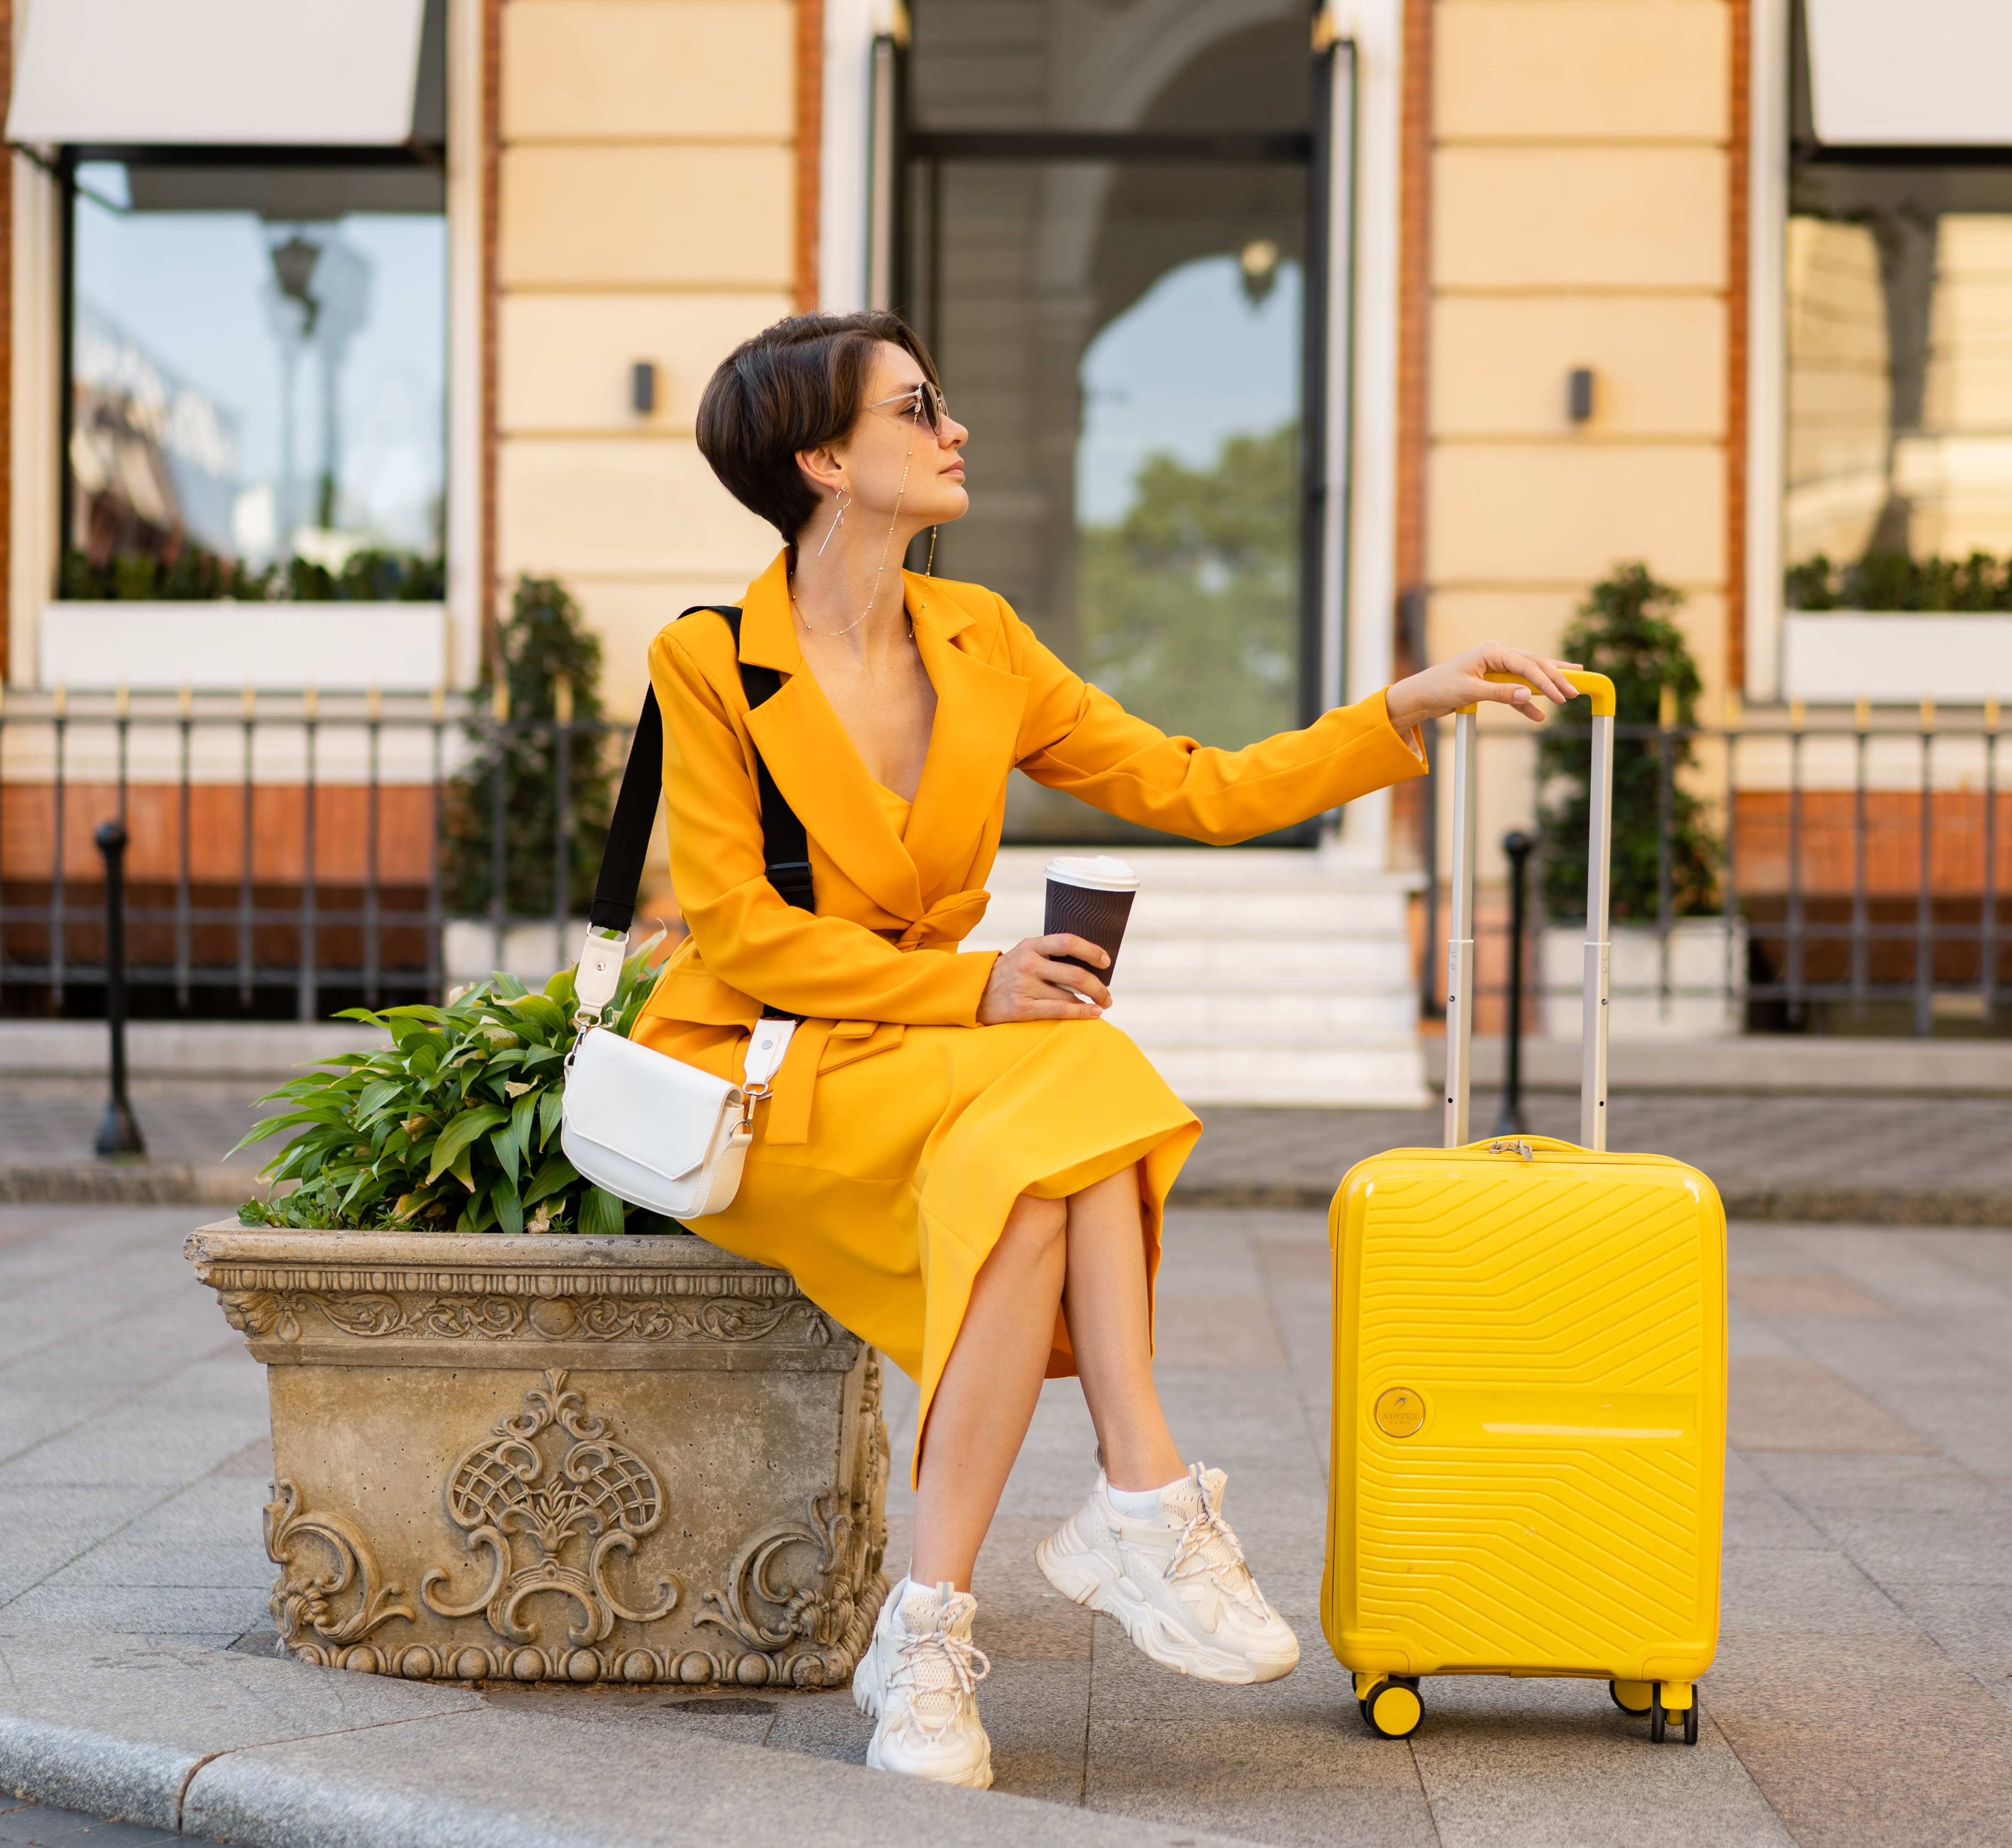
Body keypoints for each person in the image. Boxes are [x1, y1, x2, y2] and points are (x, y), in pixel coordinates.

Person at [632, 310, 1578, 1788]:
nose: (955, 428)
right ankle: (1135, 1502)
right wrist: (974, 987)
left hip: (928, 1065)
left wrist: (1396, 713)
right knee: (1070, 1086)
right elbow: (741, 940)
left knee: (1039, 1181)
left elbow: (1188, 783)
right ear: (823, 458)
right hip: (768, 1077)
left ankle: (936, 1629)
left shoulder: (981, 638)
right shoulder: (711, 664)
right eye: (917, 407)